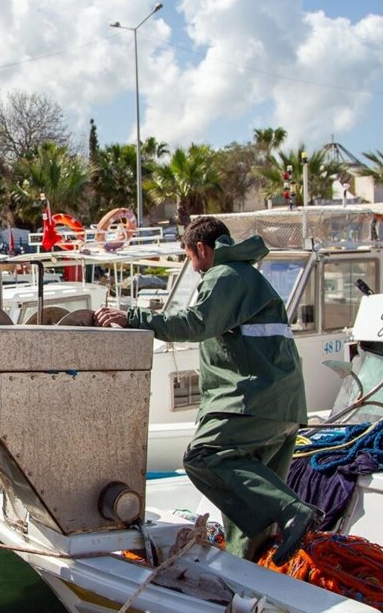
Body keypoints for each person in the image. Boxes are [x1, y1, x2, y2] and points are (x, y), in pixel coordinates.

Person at [93, 216, 319, 564]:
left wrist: (134, 318)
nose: (193, 267)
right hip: (284, 407)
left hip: (254, 401)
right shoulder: (250, 277)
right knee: (246, 506)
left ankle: (292, 511)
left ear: (201, 248)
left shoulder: (225, 276)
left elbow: (195, 323)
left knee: (203, 457)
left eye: (190, 257)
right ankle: (253, 575)